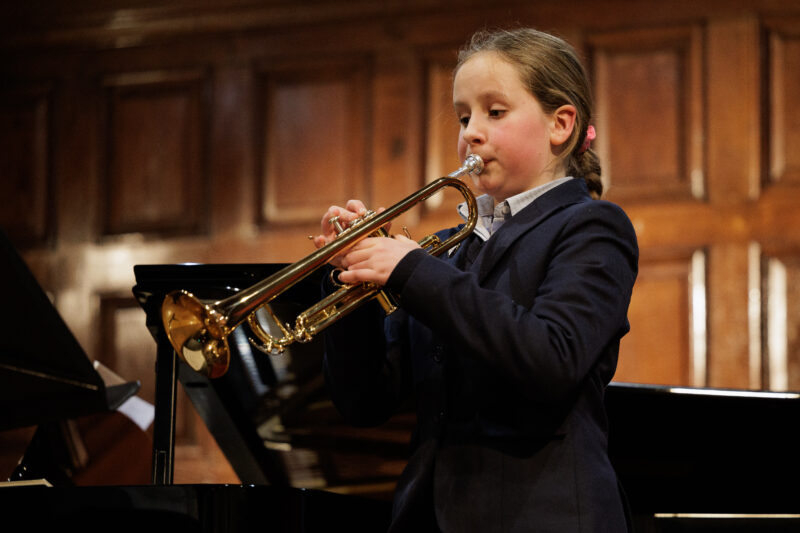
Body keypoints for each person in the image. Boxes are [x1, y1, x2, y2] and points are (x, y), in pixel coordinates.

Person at [311, 27, 639, 532]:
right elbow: (366, 402)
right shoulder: (447, 247)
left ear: (561, 124)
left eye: (495, 112)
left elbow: (551, 357)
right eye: (464, 117)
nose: (471, 132)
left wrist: (412, 270)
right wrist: (348, 281)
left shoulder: (592, 227)